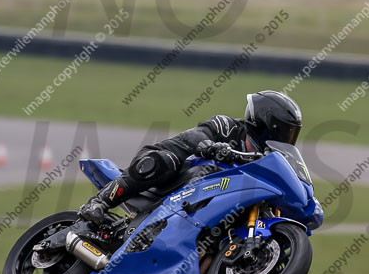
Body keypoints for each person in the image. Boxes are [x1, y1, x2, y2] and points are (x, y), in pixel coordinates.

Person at [78, 90, 303, 224]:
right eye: (281, 131)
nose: (284, 139)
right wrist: (210, 146)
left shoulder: (267, 158)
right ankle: (99, 202)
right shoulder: (227, 127)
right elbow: (195, 135)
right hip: (170, 172)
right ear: (263, 123)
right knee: (164, 162)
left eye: (290, 134)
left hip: (203, 207)